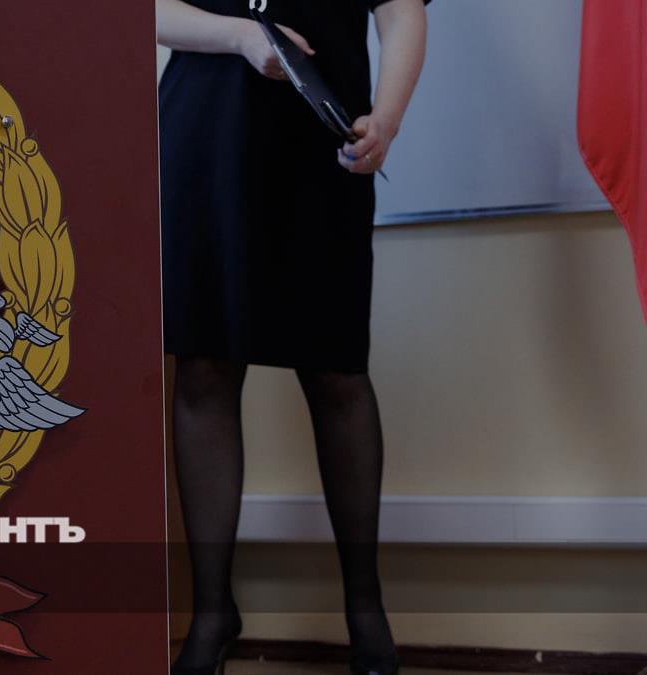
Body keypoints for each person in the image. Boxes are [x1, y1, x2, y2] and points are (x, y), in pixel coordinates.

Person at [156, 1, 428, 674]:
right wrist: (244, 37)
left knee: (337, 370)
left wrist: (387, 119)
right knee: (204, 367)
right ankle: (212, 613)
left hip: (321, 140)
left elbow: (402, 14)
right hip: (203, 133)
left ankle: (365, 609)